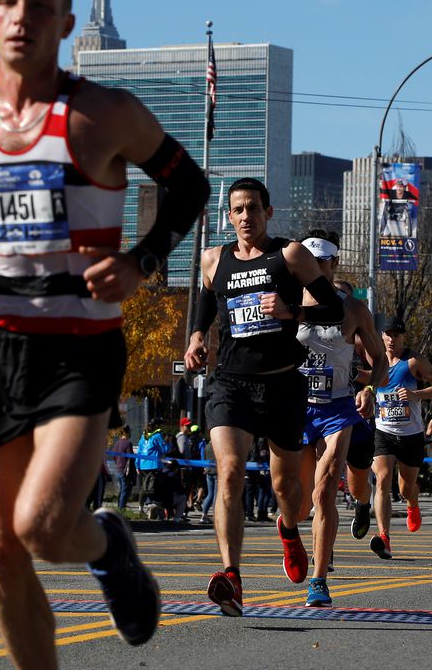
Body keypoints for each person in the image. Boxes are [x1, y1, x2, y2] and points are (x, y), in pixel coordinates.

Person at [0, 0, 209, 663]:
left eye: (39, 6)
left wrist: (141, 261)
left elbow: (190, 186)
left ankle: (107, 544)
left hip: (78, 349)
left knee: (40, 526)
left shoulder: (104, 113)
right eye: (8, 2)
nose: (22, 17)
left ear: (67, 24)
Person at [184, 177, 346, 617]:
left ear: (267, 212)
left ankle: (289, 529)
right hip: (231, 384)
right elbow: (204, 301)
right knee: (230, 470)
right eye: (237, 209)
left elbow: (334, 307)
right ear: (230, 215)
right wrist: (198, 335)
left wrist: (291, 312)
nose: (245, 217)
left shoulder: (290, 255)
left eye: (253, 208)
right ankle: (232, 577)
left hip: (282, 384)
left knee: (285, 487)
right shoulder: (213, 259)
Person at [293, 231, 386, 606]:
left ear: (334, 265)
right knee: (297, 504)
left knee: (325, 489)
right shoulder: (288, 301)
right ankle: (294, 535)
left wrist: (369, 390)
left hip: (337, 407)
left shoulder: (354, 309)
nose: (315, 269)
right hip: (297, 408)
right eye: (309, 262)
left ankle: (318, 578)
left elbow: (379, 359)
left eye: (322, 262)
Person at [359, 315, 432, 561]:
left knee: (405, 489)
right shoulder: (377, 360)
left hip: (411, 435)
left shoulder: (414, 361)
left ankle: (412, 503)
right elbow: (366, 379)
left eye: (397, 335)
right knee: (381, 479)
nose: (392, 339)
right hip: (383, 432)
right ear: (382, 336)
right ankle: (384, 537)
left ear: (404, 336)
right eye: (388, 334)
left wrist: (415, 394)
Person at [111, 428, 133, 511]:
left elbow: (114, 456)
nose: (131, 433)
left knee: (122, 488)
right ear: (126, 433)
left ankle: (119, 505)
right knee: (125, 489)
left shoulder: (118, 442)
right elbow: (130, 457)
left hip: (118, 469)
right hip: (125, 470)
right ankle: (121, 508)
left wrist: (118, 463)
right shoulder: (128, 443)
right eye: (130, 432)